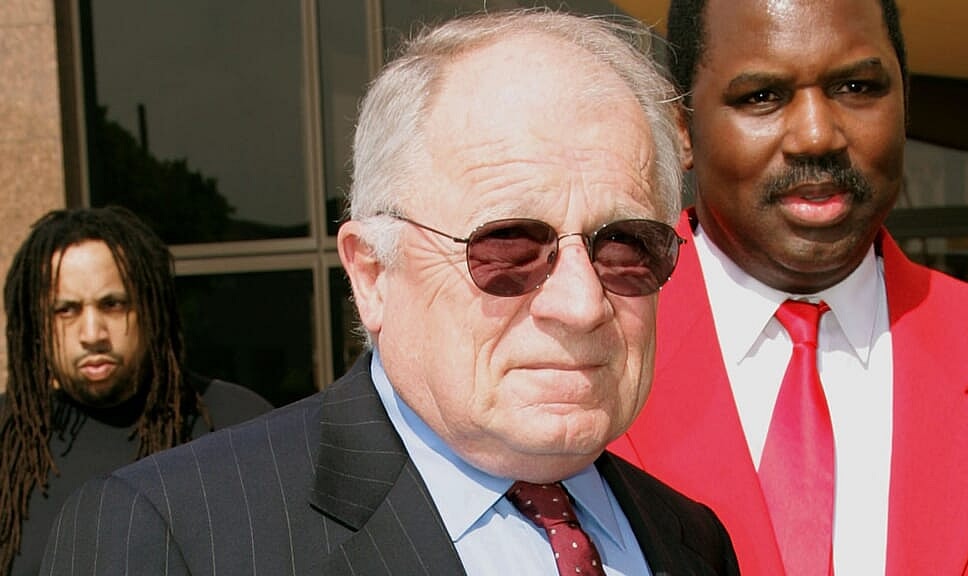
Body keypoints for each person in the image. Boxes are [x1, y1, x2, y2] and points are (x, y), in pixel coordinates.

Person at [39, 10, 740, 576]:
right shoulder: (169, 537)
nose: (581, 304)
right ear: (372, 274)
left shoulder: (691, 540)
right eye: (509, 247)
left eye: (625, 246)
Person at [609, 0, 968, 574]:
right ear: (681, 126)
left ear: (905, 100)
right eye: (762, 96)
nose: (815, 136)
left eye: (856, 87)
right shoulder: (581, 351)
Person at [0, 206, 273, 576]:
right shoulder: (9, 442)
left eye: (112, 305)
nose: (92, 334)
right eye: (66, 310)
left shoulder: (237, 425)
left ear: (151, 308)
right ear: (36, 323)